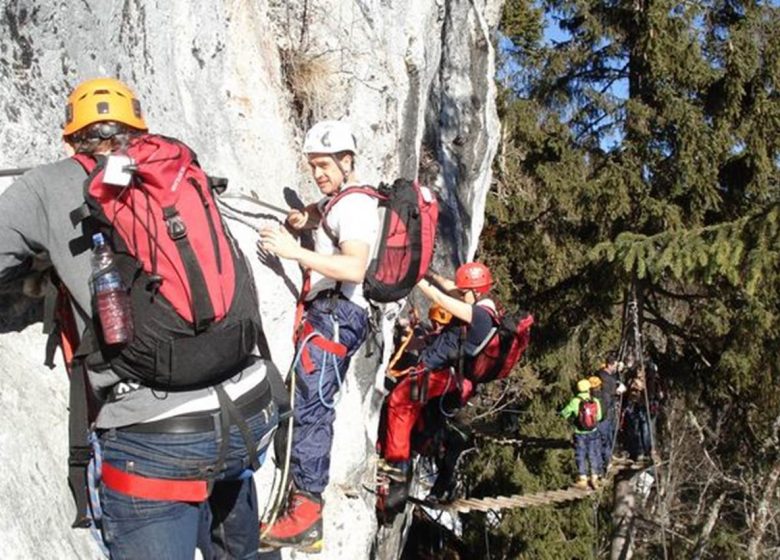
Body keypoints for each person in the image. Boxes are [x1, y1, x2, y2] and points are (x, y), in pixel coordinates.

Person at [0, 78, 279, 559]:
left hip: (156, 438)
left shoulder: (46, 184)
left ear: (70, 137)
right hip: (248, 413)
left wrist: (41, 265)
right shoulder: (173, 169)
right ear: (138, 128)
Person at [258, 120, 378, 552]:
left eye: (325, 165)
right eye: (313, 166)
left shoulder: (356, 207)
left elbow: (354, 267)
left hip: (336, 315)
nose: (319, 173)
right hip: (332, 315)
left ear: (347, 162)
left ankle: (307, 513)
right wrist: (304, 216)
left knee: (312, 406)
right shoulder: (340, 202)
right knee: (305, 402)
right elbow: (327, 215)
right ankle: (299, 503)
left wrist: (293, 251)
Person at [376, 264, 499, 505]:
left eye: (465, 292)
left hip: (440, 377)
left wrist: (414, 276)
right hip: (445, 378)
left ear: (475, 291)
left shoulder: (480, 317)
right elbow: (449, 287)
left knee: (400, 404)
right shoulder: (482, 307)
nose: (460, 294)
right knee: (418, 420)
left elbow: (441, 297)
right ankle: (403, 469)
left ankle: (397, 465)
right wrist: (427, 271)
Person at [560, 379, 603, 489]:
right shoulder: (595, 400)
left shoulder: (575, 401)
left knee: (581, 454)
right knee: (593, 453)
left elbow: (565, 414)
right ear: (589, 388)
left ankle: (583, 478)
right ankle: (594, 477)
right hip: (593, 431)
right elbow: (599, 417)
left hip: (580, 433)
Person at [595, 351, 626, 467]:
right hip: (605, 410)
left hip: (608, 410)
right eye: (614, 366)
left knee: (610, 434)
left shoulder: (603, 374)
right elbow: (609, 390)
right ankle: (606, 461)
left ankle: (609, 456)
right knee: (605, 435)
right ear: (609, 365)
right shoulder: (605, 378)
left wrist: (618, 372)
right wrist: (618, 390)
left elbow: (613, 379)